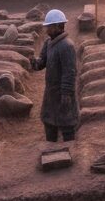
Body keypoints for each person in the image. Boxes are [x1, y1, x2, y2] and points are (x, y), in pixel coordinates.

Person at [31, 9, 79, 142]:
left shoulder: (66, 46)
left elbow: (69, 73)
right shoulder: (48, 43)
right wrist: (34, 62)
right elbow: (42, 62)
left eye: (50, 27)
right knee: (50, 123)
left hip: (63, 93)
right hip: (51, 93)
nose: (47, 30)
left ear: (59, 26)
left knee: (67, 125)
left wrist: (66, 95)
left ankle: (71, 150)